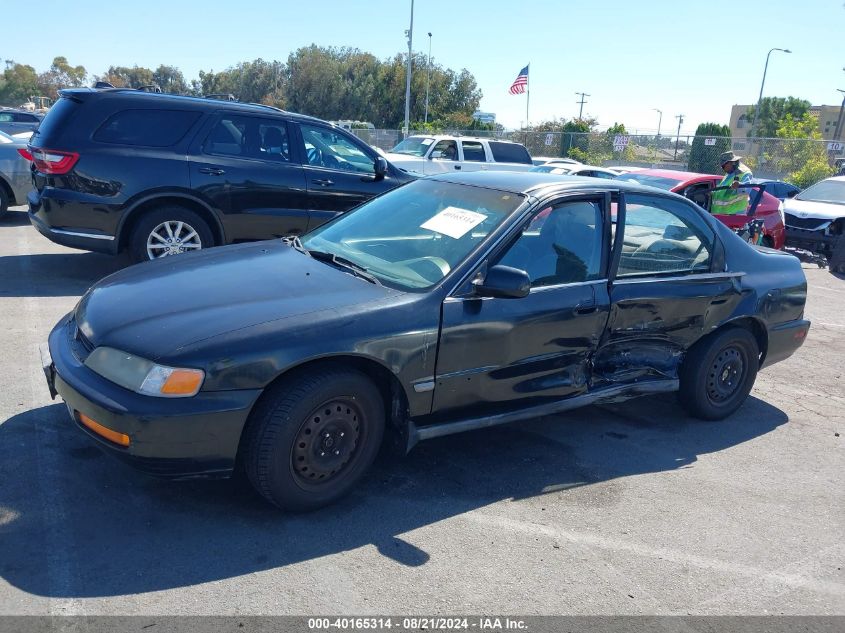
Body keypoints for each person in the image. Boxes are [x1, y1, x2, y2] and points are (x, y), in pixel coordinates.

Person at [711, 151, 753, 215]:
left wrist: (739, 185)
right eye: (722, 167)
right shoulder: (729, 173)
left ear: (732, 163)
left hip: (734, 214)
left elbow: (747, 190)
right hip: (721, 213)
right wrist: (712, 193)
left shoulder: (745, 173)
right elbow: (722, 190)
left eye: (724, 166)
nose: (723, 169)